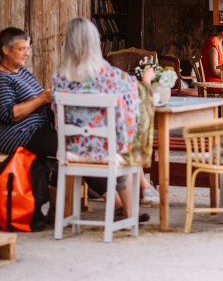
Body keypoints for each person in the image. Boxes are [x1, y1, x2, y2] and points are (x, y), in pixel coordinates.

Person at [52, 18, 160, 217]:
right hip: (107, 151)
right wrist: (146, 81)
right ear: (96, 43)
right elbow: (133, 112)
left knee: (114, 143)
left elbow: (58, 119)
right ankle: (131, 211)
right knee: (128, 145)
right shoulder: (115, 77)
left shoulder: (58, 78)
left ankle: (130, 203)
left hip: (73, 150)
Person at [0, 27, 55, 157]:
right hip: (14, 136)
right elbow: (8, 114)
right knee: (73, 147)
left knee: (79, 143)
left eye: (28, 49)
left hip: (36, 131)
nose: (27, 54)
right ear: (5, 50)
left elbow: (39, 98)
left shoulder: (22, 72)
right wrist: (41, 99)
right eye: (22, 49)